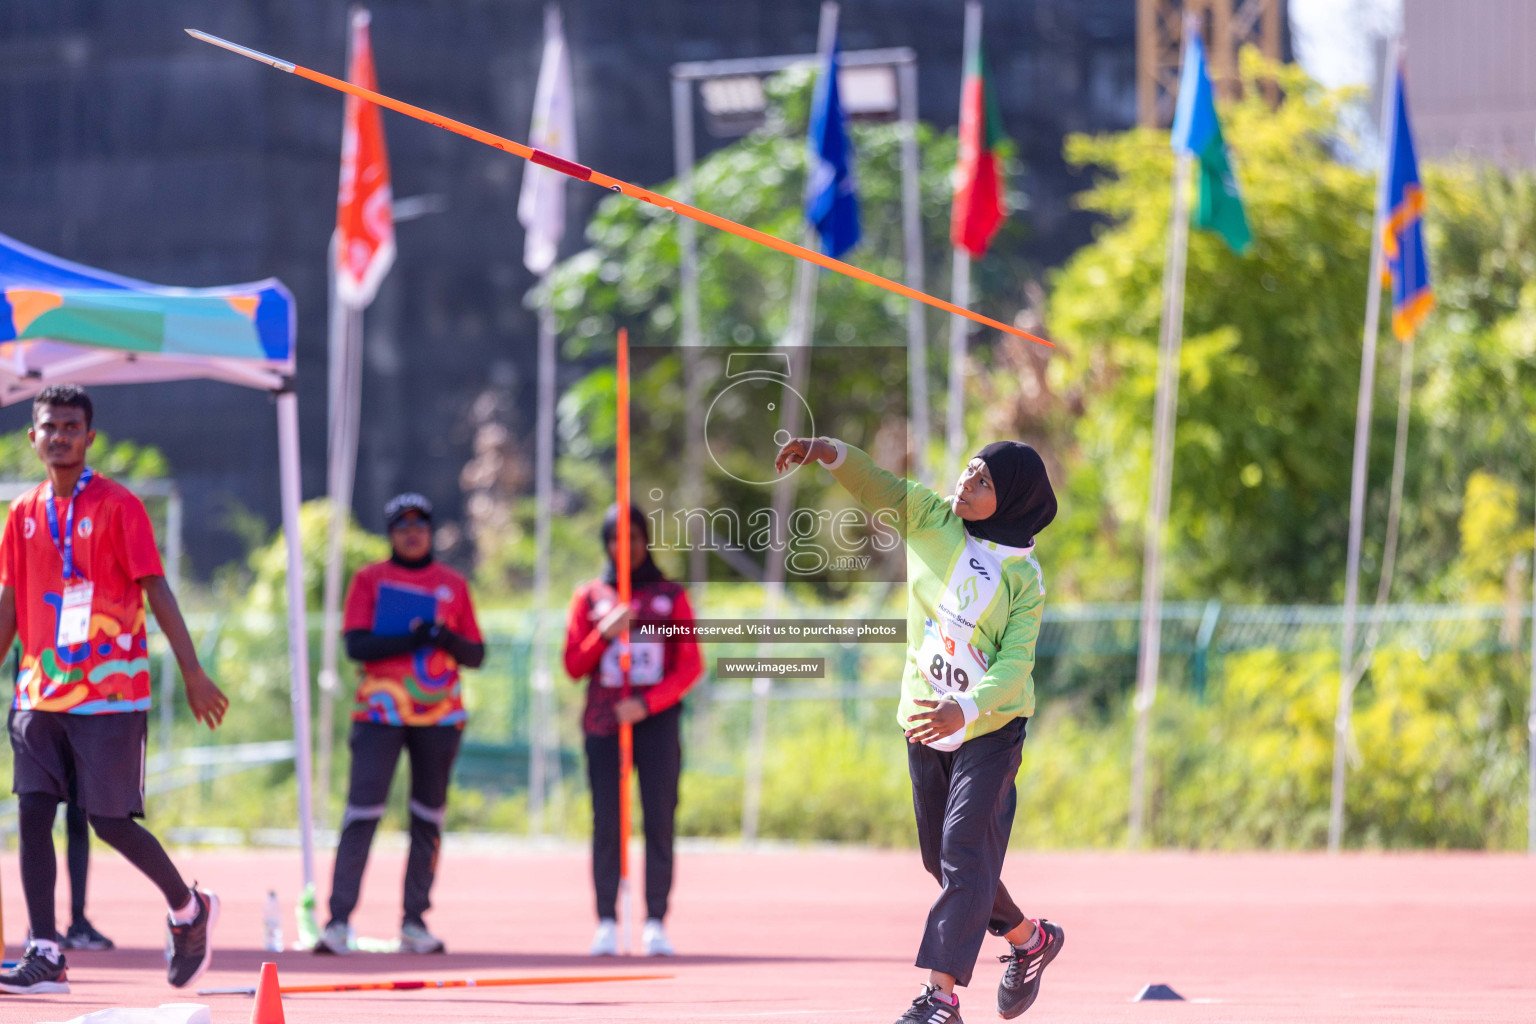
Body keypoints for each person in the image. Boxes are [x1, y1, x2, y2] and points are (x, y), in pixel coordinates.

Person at [775, 436, 1065, 1023]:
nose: (965, 483)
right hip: (925, 719)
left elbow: (1015, 664)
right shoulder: (933, 520)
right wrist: (825, 450)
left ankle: (941, 1000)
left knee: (962, 855)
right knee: (943, 862)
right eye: (968, 470)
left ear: (1010, 499)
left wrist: (970, 706)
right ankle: (1029, 939)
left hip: (990, 730)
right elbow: (876, 484)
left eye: (983, 481)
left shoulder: (1024, 579)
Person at [0, 384, 226, 995]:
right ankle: (45, 951)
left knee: (107, 819)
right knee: (31, 813)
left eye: (72, 426)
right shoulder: (21, 514)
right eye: (50, 426)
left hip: (109, 693)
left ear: (89, 436)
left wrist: (193, 671)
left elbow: (156, 589)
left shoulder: (120, 505)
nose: (61, 436)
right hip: (38, 692)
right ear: (34, 437)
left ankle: (188, 908)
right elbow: (10, 603)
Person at [315, 493, 484, 955]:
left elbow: (476, 653)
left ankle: (414, 922)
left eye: (420, 524)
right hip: (379, 713)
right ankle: (338, 921)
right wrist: (409, 637)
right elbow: (356, 646)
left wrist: (443, 635)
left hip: (439, 715)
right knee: (362, 812)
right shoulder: (370, 579)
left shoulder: (452, 583)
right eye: (402, 525)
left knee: (427, 818)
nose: (412, 532)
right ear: (391, 533)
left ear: (431, 531)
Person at [563, 504, 701, 957]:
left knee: (659, 818)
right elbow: (573, 664)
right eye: (616, 538)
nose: (626, 547)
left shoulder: (669, 596)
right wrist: (603, 632)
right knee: (608, 820)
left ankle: (656, 920)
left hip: (654, 722)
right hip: (605, 723)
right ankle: (606, 918)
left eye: (635, 537)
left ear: (647, 540)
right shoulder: (590, 597)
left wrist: (646, 704)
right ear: (606, 543)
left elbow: (690, 665)